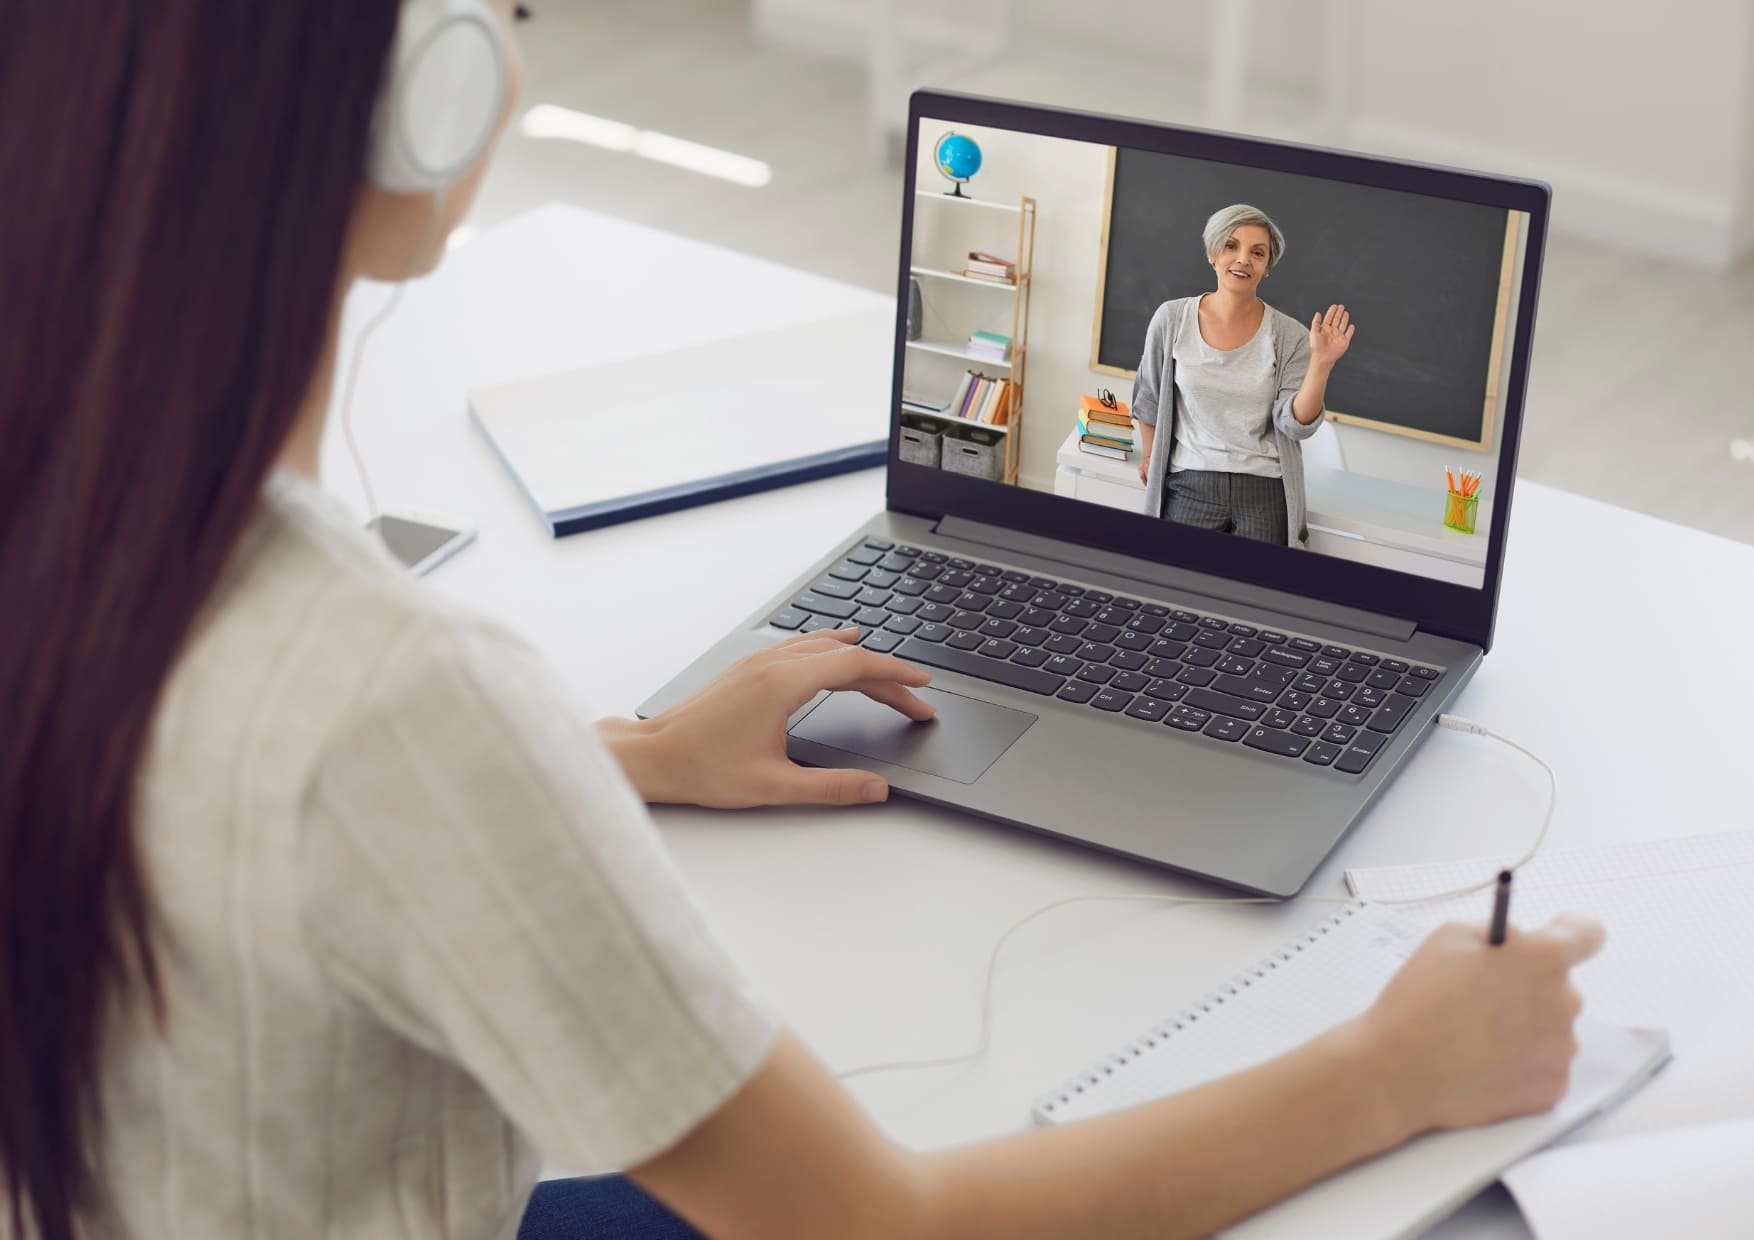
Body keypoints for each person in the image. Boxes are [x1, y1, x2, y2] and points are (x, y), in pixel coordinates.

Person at [0, 5, 1603, 1239]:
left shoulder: (89, 535)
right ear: (426, 98)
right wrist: (1394, 1071)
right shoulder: (394, 696)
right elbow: (870, 1226)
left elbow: (256, 772)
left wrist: (623, 751)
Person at [1134, 204, 1354, 547]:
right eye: (1230, 246)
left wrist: (1320, 365)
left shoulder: (1290, 336)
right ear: (1212, 253)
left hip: (1264, 493)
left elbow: (1295, 424)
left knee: (1253, 596)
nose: (1242, 260)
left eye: (1257, 253)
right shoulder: (1171, 319)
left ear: (1267, 267)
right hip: (1190, 484)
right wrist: (1150, 455)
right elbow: (1148, 398)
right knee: (1176, 588)